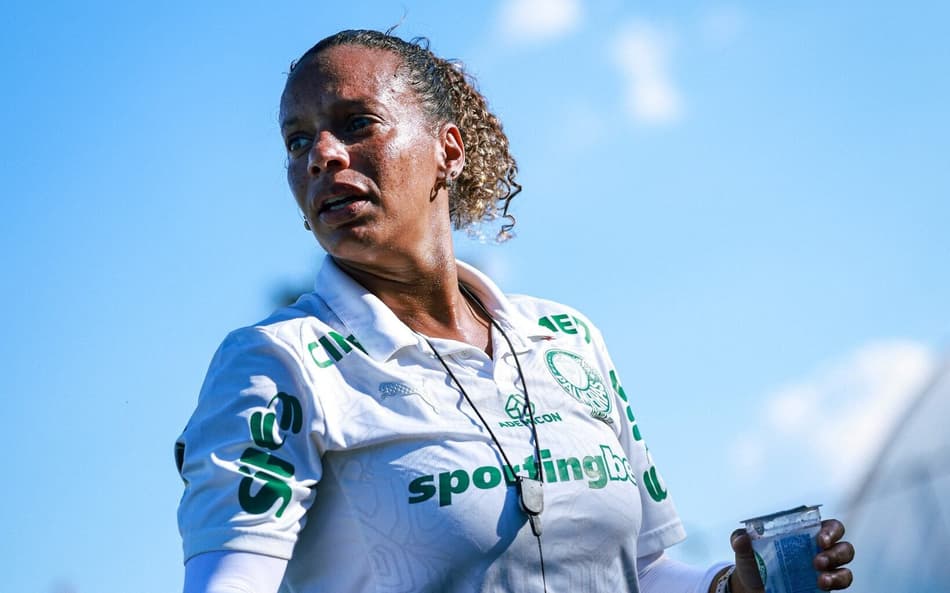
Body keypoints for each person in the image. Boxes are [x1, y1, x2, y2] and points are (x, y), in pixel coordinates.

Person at [175, 29, 855, 593]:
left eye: (356, 124)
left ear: (449, 150)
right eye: (298, 141)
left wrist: (731, 588)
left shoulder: (567, 336)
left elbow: (636, 568)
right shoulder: (275, 361)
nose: (322, 154)